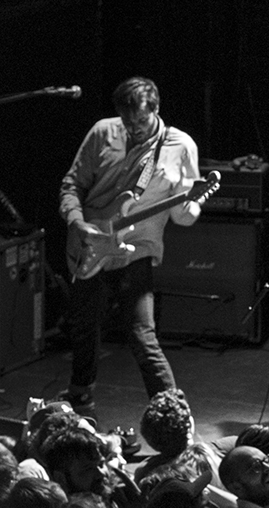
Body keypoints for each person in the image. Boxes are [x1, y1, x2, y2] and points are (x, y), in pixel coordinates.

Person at [59, 77, 202, 418]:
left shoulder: (180, 146)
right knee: (83, 328)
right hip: (92, 242)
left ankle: (174, 416)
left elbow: (184, 216)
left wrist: (190, 205)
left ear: (156, 108)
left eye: (140, 121)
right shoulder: (102, 132)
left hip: (136, 249)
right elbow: (72, 185)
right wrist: (77, 223)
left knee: (142, 335)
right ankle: (80, 398)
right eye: (127, 121)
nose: (134, 128)